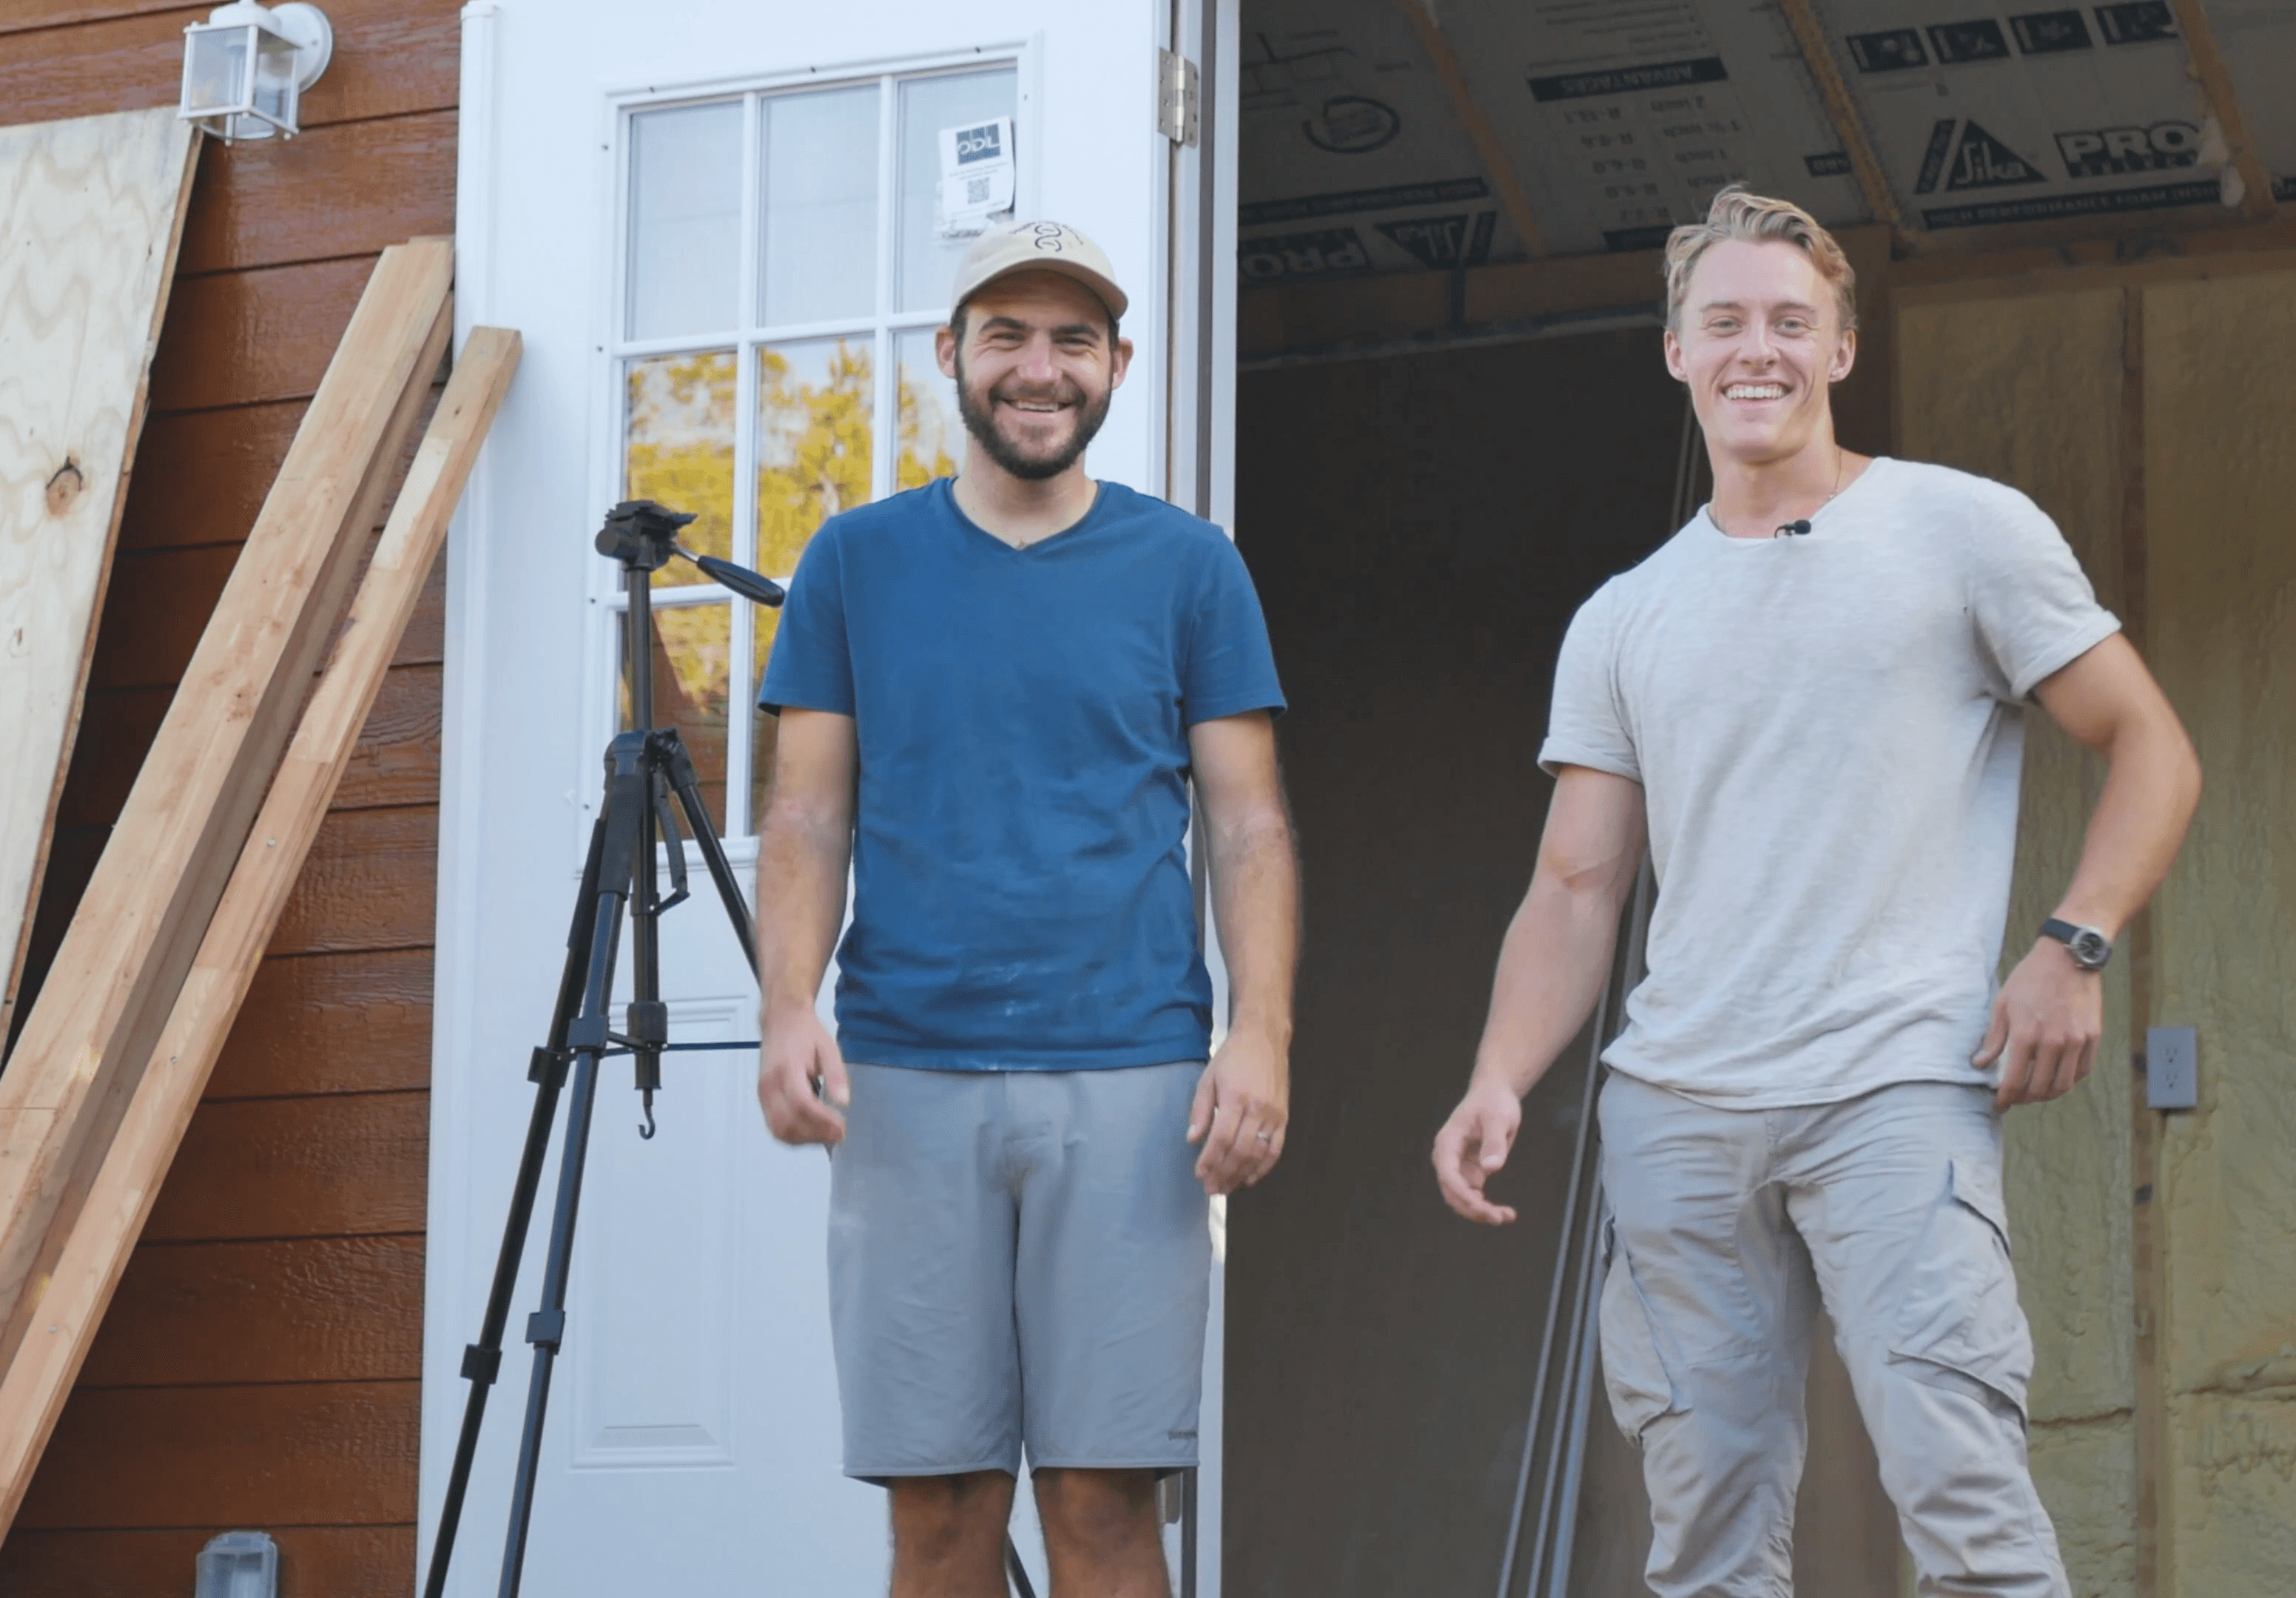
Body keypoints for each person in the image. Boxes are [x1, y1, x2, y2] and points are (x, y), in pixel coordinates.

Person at [1430, 186, 2201, 1597]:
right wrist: (1497, 1074)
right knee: (1709, 1537)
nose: (1756, 350)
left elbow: (2151, 746)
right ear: (1675, 352)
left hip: (1897, 1091)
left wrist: (2070, 945)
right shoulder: (1624, 615)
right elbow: (1576, 886)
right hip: (1678, 1112)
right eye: (1722, 321)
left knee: (1964, 1498)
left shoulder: (1964, 531)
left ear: (1843, 348)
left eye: (1792, 321)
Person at [752, 218, 1299, 1598]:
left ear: (1117, 364)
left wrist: (1264, 1034)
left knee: (1106, 1507)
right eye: (1006, 337)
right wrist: (784, 1008)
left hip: (1132, 1075)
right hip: (905, 1071)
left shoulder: (1189, 567)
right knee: (937, 1511)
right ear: (952, 356)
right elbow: (807, 811)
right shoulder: (853, 562)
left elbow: (1248, 821)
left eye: (1070, 341)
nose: (1037, 369)